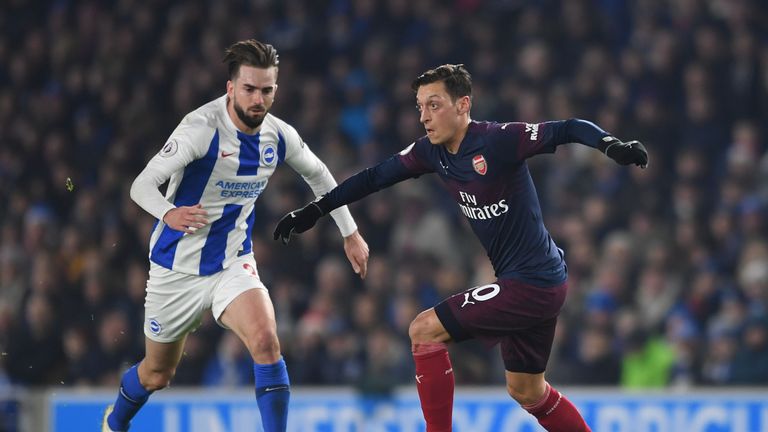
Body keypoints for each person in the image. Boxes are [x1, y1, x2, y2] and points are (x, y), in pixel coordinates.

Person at [274, 64, 647, 432]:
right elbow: (374, 177)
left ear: (463, 105)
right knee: (528, 392)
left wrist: (610, 145)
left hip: (534, 282)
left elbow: (567, 128)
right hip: (538, 282)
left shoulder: (498, 140)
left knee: (423, 329)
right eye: (420, 107)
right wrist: (317, 209)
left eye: (434, 105)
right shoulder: (431, 152)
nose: (424, 116)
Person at [102, 39, 369, 432]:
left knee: (266, 341)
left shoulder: (278, 136)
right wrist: (168, 212)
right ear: (230, 88)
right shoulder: (200, 129)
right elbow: (141, 186)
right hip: (176, 268)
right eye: (249, 89)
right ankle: (115, 422)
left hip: (232, 261)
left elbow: (320, 176)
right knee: (157, 375)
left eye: (267, 90)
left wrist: (351, 232)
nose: (258, 99)